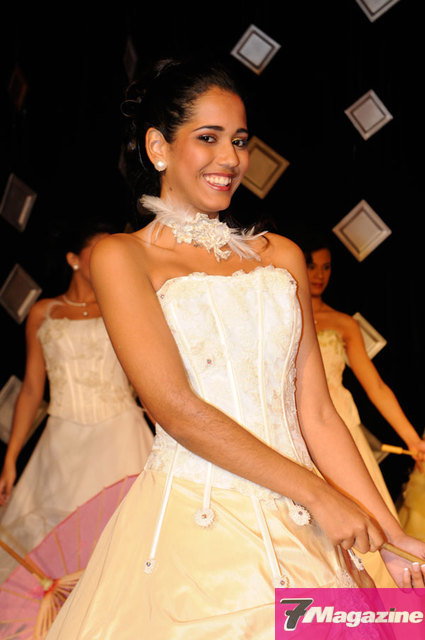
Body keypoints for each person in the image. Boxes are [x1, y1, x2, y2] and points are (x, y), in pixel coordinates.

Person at [47, 59, 425, 639]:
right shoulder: (123, 257)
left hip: (303, 526)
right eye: (208, 138)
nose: (229, 158)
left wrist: (391, 536)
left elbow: (318, 414)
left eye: (240, 141)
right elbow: (176, 409)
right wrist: (318, 495)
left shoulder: (283, 255)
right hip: (198, 525)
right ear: (158, 147)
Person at [0, 220, 154, 581]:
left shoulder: (124, 303)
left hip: (121, 435)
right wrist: (10, 459)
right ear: (73, 259)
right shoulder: (43, 312)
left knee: (127, 539)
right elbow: (32, 389)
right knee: (55, 553)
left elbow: (144, 376)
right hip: (62, 443)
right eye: (97, 250)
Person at [303, 235, 425, 585]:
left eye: (326, 267)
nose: (319, 274)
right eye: (311, 265)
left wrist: (413, 441)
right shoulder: (280, 313)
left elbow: (376, 387)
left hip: (342, 428)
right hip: (298, 429)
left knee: (368, 524)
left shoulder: (343, 323)